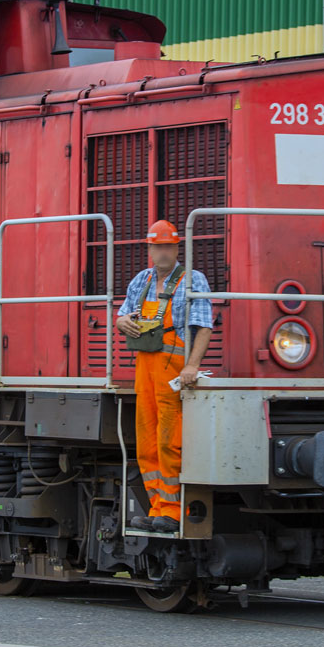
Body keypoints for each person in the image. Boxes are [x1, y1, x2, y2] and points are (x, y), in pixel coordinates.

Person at [115, 219, 213, 533]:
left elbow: (203, 327)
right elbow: (122, 315)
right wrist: (122, 323)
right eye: (157, 246)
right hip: (144, 366)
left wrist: (192, 366)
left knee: (170, 439)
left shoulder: (192, 279)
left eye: (168, 246)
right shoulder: (140, 280)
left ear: (176, 248)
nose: (162, 252)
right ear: (150, 249)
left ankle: (172, 510)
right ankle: (157, 507)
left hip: (173, 367)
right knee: (146, 440)